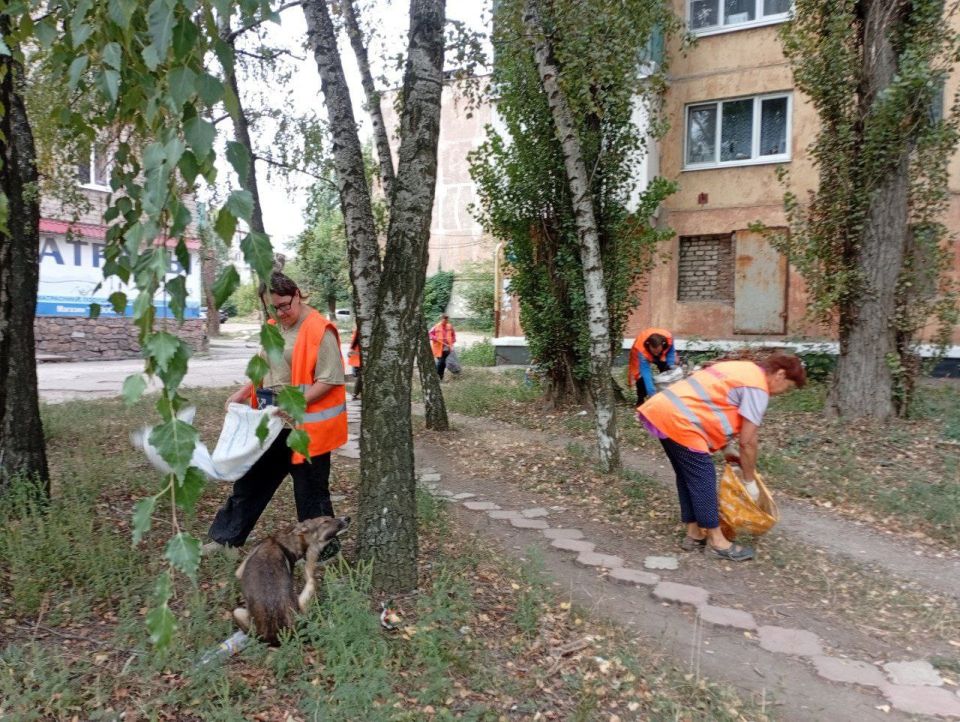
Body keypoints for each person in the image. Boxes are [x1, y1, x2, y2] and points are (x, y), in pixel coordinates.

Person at [206, 272, 348, 550]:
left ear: (297, 294)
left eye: (285, 305)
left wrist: (292, 405)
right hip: (271, 423)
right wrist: (243, 392)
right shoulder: (273, 326)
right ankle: (225, 540)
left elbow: (330, 379)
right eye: (273, 307)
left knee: (311, 494)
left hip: (305, 429)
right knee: (251, 483)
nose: (281, 312)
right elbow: (266, 369)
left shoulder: (320, 329)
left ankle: (323, 552)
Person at [636, 352, 806, 562]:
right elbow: (748, 442)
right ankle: (717, 541)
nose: (781, 393)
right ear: (780, 375)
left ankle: (694, 533)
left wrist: (726, 448)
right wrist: (749, 480)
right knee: (703, 478)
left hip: (661, 412)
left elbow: (712, 402)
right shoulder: (758, 387)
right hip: (681, 421)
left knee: (687, 476)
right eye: (787, 387)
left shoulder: (742, 369)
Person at [628, 328, 676, 406]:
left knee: (667, 370)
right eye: (654, 352)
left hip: (662, 353)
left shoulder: (669, 339)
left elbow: (671, 353)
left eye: (657, 351)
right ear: (648, 345)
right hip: (641, 352)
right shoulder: (641, 349)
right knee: (640, 377)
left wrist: (671, 367)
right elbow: (646, 373)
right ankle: (640, 399)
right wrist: (651, 393)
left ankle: (665, 394)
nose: (656, 354)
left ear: (662, 345)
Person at [429, 314, 456, 380]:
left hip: (447, 347)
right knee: (442, 362)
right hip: (438, 348)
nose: (445, 322)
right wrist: (434, 337)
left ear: (447, 320)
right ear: (441, 319)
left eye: (446, 320)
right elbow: (430, 334)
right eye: (444, 320)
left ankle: (439, 377)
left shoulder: (450, 326)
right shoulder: (436, 326)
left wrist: (452, 341)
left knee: (442, 362)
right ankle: (439, 377)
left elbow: (453, 335)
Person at [347, 326, 362, 400]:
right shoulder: (361, 329)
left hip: (357, 357)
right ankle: (355, 394)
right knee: (361, 376)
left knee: (360, 376)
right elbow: (355, 341)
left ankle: (355, 394)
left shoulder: (360, 328)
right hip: (358, 357)